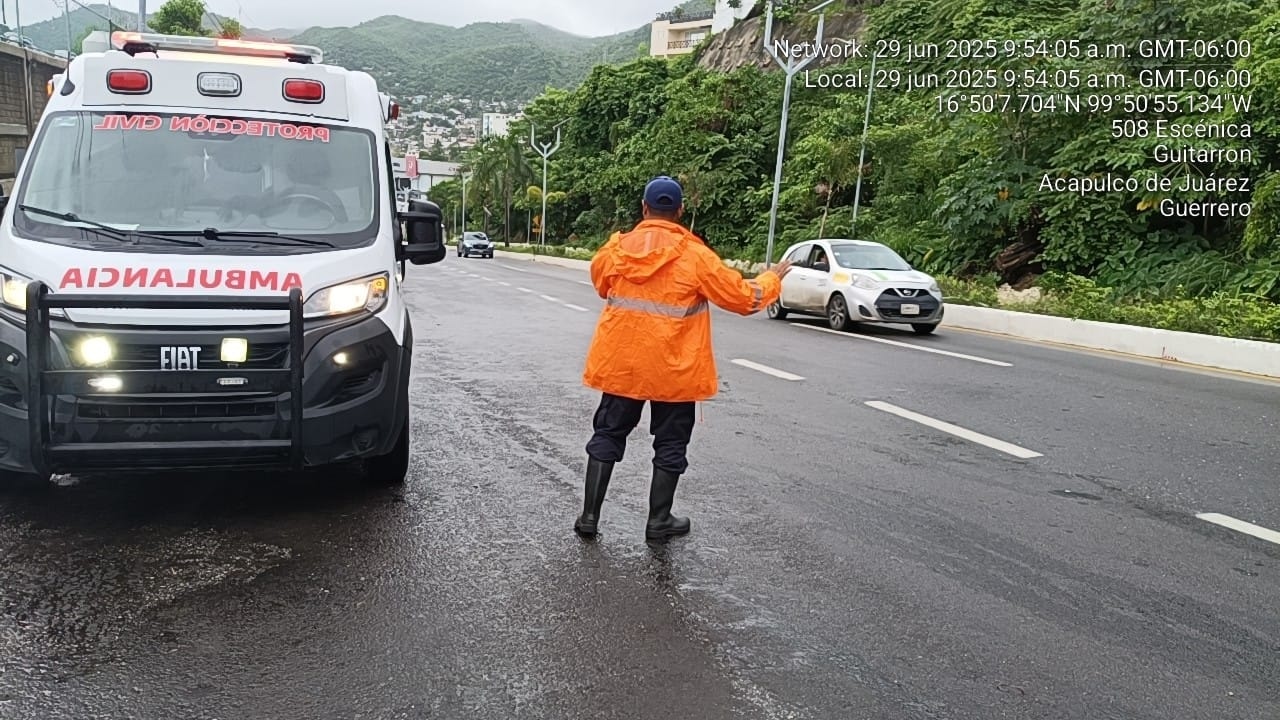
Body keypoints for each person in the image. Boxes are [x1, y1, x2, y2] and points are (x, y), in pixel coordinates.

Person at [575, 175, 793, 541]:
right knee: (671, 442)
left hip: (623, 365)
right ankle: (659, 520)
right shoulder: (695, 256)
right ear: (679, 211)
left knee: (608, 433)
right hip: (674, 369)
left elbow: (601, 285)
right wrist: (771, 279)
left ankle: (589, 516)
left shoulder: (615, 250)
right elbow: (743, 299)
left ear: (644, 208)